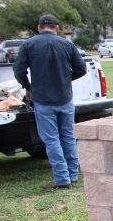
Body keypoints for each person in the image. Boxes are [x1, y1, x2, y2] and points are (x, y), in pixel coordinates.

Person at [13, 14, 87, 190]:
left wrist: (28, 87)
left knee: (51, 139)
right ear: (57, 27)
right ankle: (73, 174)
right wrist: (66, 78)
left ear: (39, 27)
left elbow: (19, 70)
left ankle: (62, 179)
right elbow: (81, 69)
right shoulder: (67, 44)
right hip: (65, 97)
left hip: (43, 99)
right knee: (68, 136)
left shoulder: (29, 45)